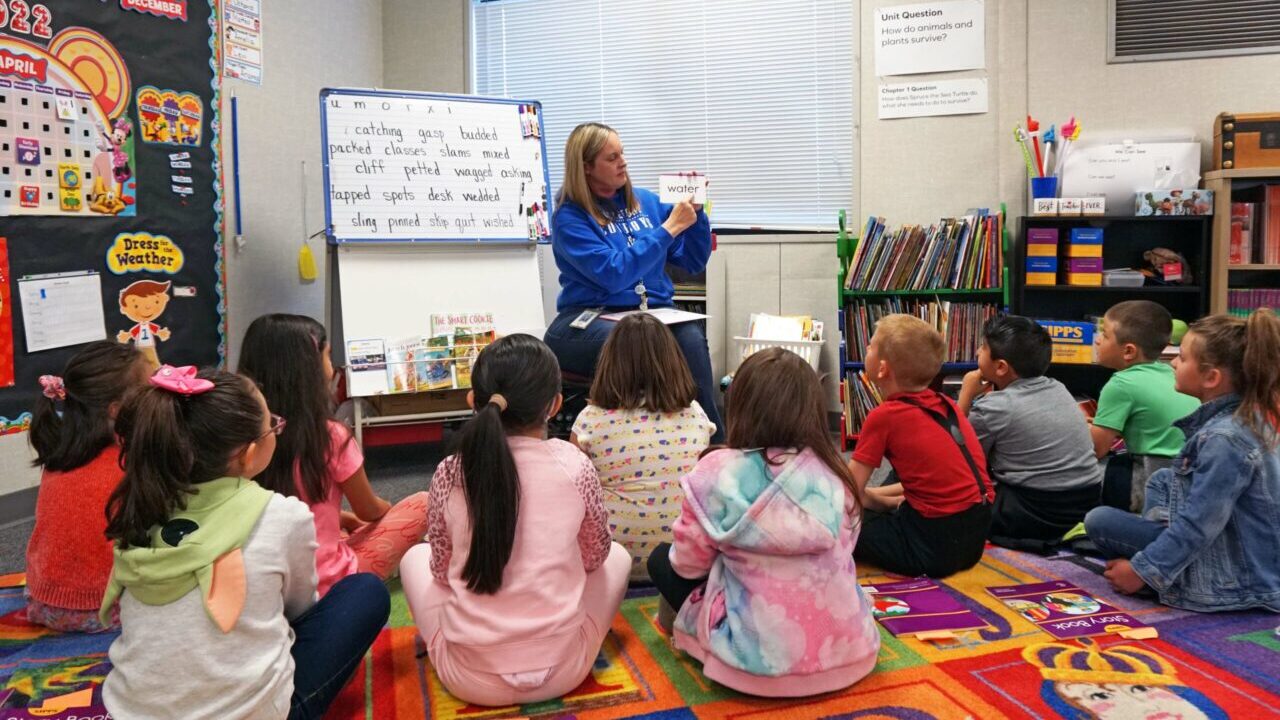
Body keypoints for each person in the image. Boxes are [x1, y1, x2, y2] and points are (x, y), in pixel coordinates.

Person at [99, 366, 389, 719]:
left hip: (129, 712)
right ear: (248, 455)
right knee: (366, 592)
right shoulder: (283, 516)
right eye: (273, 425)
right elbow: (299, 610)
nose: (277, 429)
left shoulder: (141, 507)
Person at [399, 335, 630, 707]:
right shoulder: (574, 464)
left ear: (473, 400)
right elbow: (595, 558)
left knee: (414, 559)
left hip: (468, 678)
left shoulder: (450, 471)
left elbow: (441, 571)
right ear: (554, 405)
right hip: (567, 670)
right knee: (618, 556)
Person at [646, 348, 879, 697]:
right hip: (850, 653)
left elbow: (688, 565)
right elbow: (844, 553)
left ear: (740, 405)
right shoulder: (834, 473)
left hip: (751, 663)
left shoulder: (716, 470)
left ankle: (678, 629)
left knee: (661, 559)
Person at [1084, 310, 1280, 612]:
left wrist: (1142, 571)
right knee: (1162, 479)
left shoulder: (1224, 439)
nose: (1173, 363)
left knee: (1099, 520)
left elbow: (1199, 524)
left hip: (1237, 579)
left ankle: (1165, 570)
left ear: (1212, 377)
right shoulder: (1247, 417)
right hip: (1248, 551)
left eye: (1183, 358)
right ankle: (1166, 554)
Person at [543, 121, 722, 442]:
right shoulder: (570, 218)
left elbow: (693, 262)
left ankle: (711, 443)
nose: (623, 162)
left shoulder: (647, 202)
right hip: (588, 317)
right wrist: (667, 229)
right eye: (611, 158)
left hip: (650, 315)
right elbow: (614, 275)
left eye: (622, 153)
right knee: (633, 341)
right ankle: (631, 444)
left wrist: (696, 218)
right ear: (586, 167)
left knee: (690, 338)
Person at [238, 313, 429, 596]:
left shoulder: (237, 433)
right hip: (324, 584)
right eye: (328, 357)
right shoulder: (328, 435)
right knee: (423, 503)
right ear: (308, 368)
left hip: (252, 580)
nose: (332, 368)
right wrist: (386, 510)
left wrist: (338, 517)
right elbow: (369, 510)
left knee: (337, 528)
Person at [571, 313, 715, 580]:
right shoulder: (696, 414)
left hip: (612, 562)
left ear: (610, 362)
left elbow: (574, 496)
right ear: (673, 360)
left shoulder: (590, 421)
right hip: (682, 561)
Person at [849, 314, 995, 578]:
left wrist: (865, 499)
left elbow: (847, 490)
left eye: (870, 346)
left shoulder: (884, 416)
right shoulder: (946, 404)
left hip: (931, 543)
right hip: (975, 534)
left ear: (882, 369)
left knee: (846, 523)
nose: (866, 349)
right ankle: (887, 505)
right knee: (884, 489)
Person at [24, 341, 149, 632]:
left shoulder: (60, 453)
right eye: (150, 388)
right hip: (102, 608)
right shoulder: (127, 462)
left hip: (43, 599)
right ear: (117, 410)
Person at [958, 315, 1101, 545]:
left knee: (950, 498)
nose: (977, 352)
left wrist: (965, 395)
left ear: (1001, 367)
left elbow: (958, 458)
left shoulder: (993, 407)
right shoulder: (1058, 387)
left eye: (982, 348)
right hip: (1087, 502)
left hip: (1034, 510)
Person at [1091, 300, 1200, 511]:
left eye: (1104, 335)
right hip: (1188, 479)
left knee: (1076, 471)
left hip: (1149, 479)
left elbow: (1096, 449)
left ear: (1129, 351)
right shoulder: (1170, 373)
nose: (1097, 341)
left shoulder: (1121, 384)